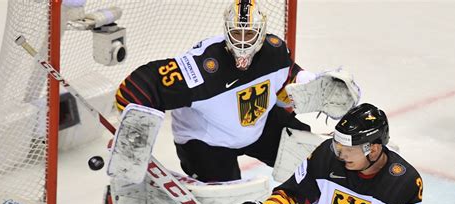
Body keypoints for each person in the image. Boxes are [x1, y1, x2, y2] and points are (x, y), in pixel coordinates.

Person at [113, 0, 338, 183]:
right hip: (207, 143)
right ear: (226, 30)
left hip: (259, 127)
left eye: (248, 34)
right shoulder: (202, 68)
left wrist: (314, 84)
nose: (241, 42)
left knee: (312, 159)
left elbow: (287, 78)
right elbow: (142, 84)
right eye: (235, 33)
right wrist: (133, 132)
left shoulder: (275, 51)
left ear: (261, 32)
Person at [223, 103, 423, 204]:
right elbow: (293, 196)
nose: (339, 154)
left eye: (347, 149)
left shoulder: (404, 184)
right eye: (338, 146)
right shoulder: (327, 156)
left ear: (373, 150)